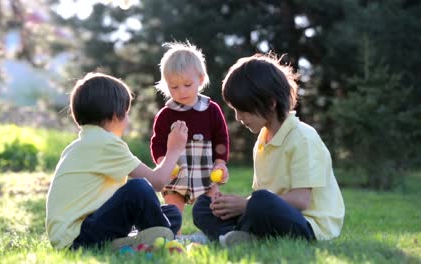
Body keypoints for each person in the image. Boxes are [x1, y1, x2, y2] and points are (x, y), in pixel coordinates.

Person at [192, 53, 345, 247]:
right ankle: (234, 237)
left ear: (270, 103)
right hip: (270, 215)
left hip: (308, 226)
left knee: (261, 200)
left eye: (243, 110)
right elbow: (263, 201)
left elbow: (301, 200)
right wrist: (235, 205)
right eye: (235, 110)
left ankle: (233, 235)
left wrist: (246, 204)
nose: (238, 117)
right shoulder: (263, 141)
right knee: (205, 206)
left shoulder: (303, 138)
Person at [46, 72, 188, 250]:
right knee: (139, 188)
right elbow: (157, 182)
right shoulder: (106, 143)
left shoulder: (82, 143)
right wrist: (174, 149)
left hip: (78, 234)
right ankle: (164, 242)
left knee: (171, 213)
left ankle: (130, 242)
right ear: (115, 115)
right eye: (127, 113)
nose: (128, 120)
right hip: (80, 239)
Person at [150, 42, 230, 232]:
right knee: (172, 210)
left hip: (205, 171)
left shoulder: (211, 110)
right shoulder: (166, 114)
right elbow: (158, 141)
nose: (181, 91)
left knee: (213, 207)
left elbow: (221, 138)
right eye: (174, 87)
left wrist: (220, 162)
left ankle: (219, 234)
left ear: (200, 80)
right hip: (176, 173)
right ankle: (172, 237)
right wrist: (163, 161)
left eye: (187, 84)